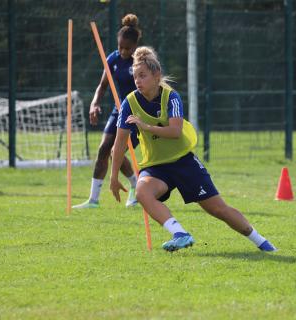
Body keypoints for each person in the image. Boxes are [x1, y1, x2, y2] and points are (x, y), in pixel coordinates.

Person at [109, 46, 277, 252]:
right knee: (142, 191)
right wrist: (113, 177)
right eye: (135, 77)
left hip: (183, 161)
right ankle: (180, 233)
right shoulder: (129, 102)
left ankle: (262, 242)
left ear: (156, 75)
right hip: (157, 166)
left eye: (142, 76)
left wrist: (145, 127)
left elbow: (175, 131)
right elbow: (118, 145)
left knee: (218, 209)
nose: (138, 81)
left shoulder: (171, 97)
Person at [73, 13, 141, 209]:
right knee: (104, 149)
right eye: (120, 47)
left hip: (137, 114)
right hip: (118, 110)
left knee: (115, 152)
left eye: (127, 48)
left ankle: (136, 185)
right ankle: (93, 200)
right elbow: (102, 86)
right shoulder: (113, 58)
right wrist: (94, 103)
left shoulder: (140, 61)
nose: (123, 51)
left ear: (135, 46)